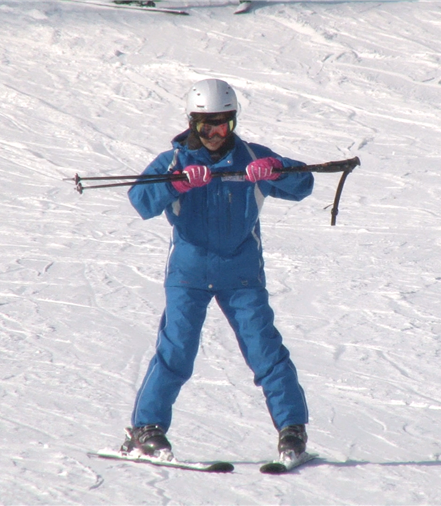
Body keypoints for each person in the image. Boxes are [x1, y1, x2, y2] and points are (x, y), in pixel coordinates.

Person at [120, 78, 313, 462]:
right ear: (191, 124)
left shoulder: (252, 159)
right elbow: (140, 199)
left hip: (242, 276)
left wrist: (276, 171)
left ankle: (292, 429)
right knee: (177, 350)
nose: (213, 134)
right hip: (188, 274)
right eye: (205, 126)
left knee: (265, 350)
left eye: (222, 124)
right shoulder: (174, 162)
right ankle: (147, 428)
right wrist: (175, 185)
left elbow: (303, 183)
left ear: (234, 122)